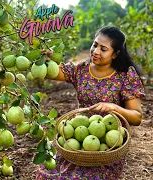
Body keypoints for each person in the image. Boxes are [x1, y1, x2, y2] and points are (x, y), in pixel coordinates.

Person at [37, 26, 146, 179]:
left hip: (108, 145)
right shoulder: (80, 70)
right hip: (76, 135)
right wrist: (44, 58)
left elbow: (137, 117)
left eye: (103, 49)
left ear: (115, 54)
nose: (95, 51)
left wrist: (114, 107)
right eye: (95, 45)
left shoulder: (126, 75)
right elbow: (50, 72)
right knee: (48, 172)